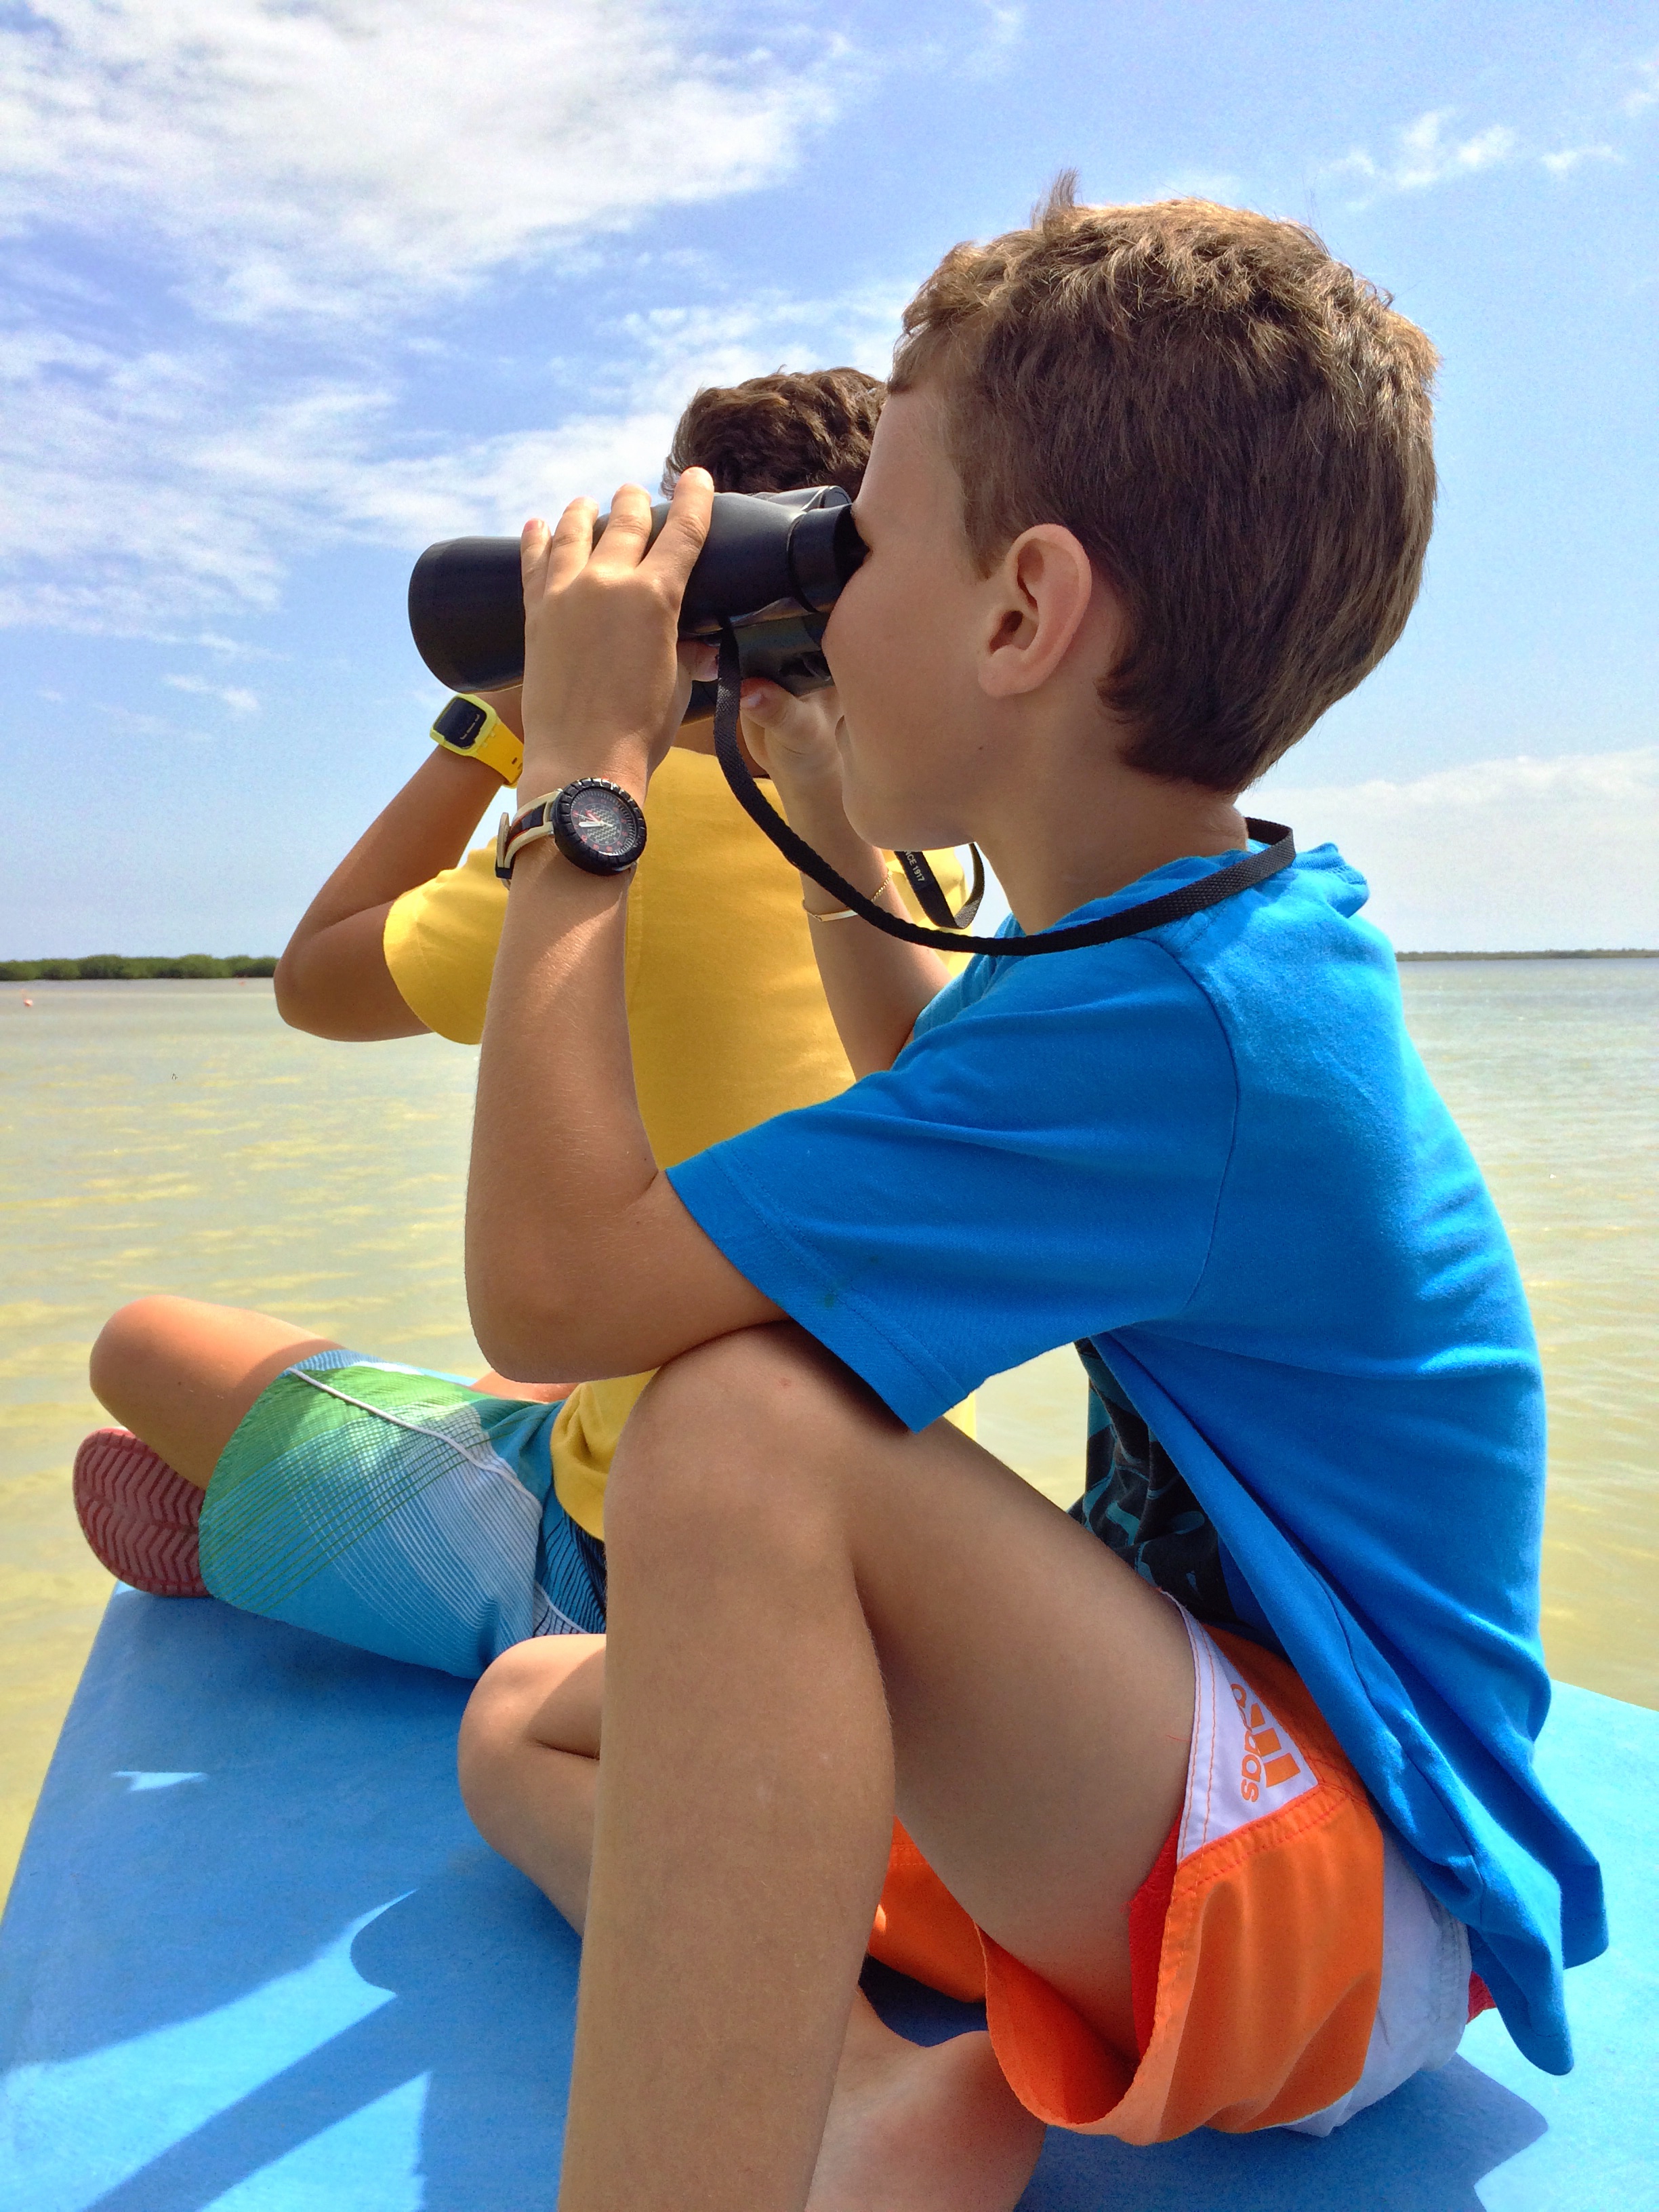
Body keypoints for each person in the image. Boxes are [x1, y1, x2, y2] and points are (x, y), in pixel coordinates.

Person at [451, 184, 1605, 2211]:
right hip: (1198, 1801)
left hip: (1349, 1897)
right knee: (528, 1721)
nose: (822, 589)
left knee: (738, 1429)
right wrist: (831, 814)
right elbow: (929, 1104)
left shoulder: (1187, 1029)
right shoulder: (1176, 938)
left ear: (1021, 615)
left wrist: (580, 787)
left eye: (862, 540)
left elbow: (549, 1291)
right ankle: (847, 2098)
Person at [75, 367, 969, 1680]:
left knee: (143, 1345)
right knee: (535, 1380)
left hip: (634, 1558)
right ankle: (346, 1510)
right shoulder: (918, 838)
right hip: (875, 1506)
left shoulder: (617, 825)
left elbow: (315, 981)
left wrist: (507, 724)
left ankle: (313, 1553)